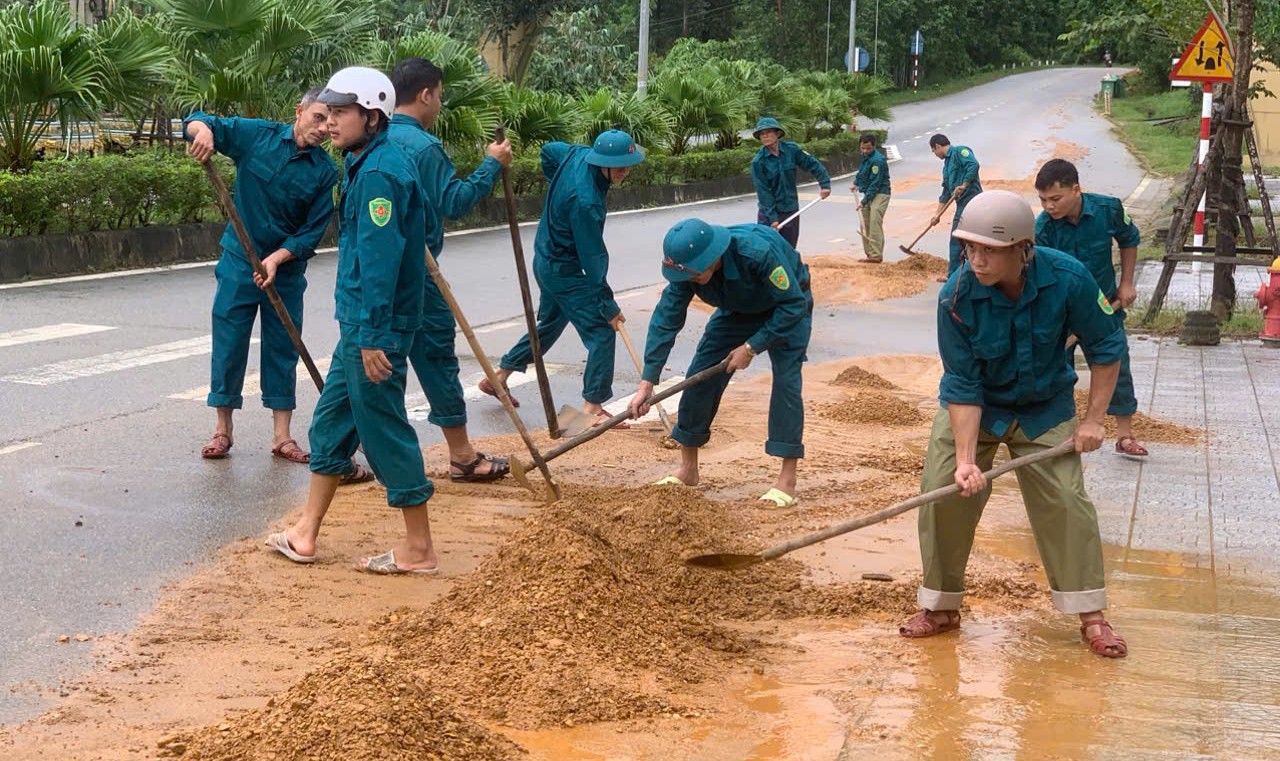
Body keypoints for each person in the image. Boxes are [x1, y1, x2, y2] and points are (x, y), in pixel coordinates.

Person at [898, 190, 1128, 658]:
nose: (976, 259)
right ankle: (941, 607)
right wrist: (965, 461)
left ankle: (1091, 614)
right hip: (979, 407)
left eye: (988, 250)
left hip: (1044, 407)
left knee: (1066, 500)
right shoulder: (956, 297)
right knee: (942, 489)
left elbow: (1106, 348)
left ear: (1023, 249)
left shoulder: (1069, 279)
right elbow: (962, 384)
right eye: (969, 248)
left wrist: (1094, 421)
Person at [266, 67, 438, 575]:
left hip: (375, 325)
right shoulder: (365, 162)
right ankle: (305, 533)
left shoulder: (381, 173)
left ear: (372, 115)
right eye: (328, 110)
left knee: (383, 428)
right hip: (361, 322)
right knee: (333, 423)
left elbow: (380, 263)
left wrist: (376, 336)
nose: (330, 121)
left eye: (341, 112)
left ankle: (419, 549)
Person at [184, 89, 337, 465]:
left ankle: (282, 436)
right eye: (318, 117)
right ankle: (223, 430)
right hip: (239, 258)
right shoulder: (258, 136)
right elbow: (197, 119)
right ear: (299, 111)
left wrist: (277, 259)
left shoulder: (324, 172)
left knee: (283, 347)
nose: (323, 128)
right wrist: (202, 132)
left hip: (284, 270)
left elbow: (311, 232)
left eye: (330, 121)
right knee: (230, 341)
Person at [387, 57, 514, 481]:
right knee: (436, 355)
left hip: (375, 269)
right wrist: (492, 164)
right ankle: (462, 456)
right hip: (417, 272)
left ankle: (339, 455)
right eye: (439, 95)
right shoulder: (423, 147)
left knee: (370, 360)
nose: (440, 103)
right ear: (425, 95)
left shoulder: (374, 137)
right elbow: (454, 202)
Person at [628, 218, 812, 508]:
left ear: (712, 258)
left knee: (787, 383)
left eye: (695, 275)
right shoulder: (686, 271)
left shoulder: (757, 252)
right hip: (737, 310)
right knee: (700, 375)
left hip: (787, 305)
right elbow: (666, 320)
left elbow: (794, 304)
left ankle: (786, 480)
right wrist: (647, 382)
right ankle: (688, 471)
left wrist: (751, 347)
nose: (689, 281)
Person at [482, 130, 645, 427]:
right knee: (601, 332)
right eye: (618, 165)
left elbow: (548, 150)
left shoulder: (575, 154)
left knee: (550, 325)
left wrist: (555, 185)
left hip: (544, 257)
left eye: (628, 163)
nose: (625, 170)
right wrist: (608, 306)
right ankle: (591, 408)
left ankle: (499, 377)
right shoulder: (585, 202)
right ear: (602, 162)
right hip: (562, 269)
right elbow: (593, 259)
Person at [1034, 159, 1146, 457]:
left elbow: (1129, 238)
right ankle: (1064, 431)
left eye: (1055, 199)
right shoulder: (1043, 227)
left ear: (1076, 190)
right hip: (1062, 314)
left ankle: (1124, 435)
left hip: (1104, 308)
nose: (1049, 206)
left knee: (1116, 363)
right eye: (1043, 200)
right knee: (1060, 372)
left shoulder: (1108, 209)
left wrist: (1127, 284)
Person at [750, 117, 832, 250]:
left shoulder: (791, 150)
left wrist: (825, 184)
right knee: (769, 250)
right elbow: (764, 192)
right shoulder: (758, 162)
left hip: (790, 210)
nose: (765, 136)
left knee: (789, 249)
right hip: (769, 214)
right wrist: (773, 218)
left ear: (777, 133)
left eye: (768, 132)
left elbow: (813, 164)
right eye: (762, 134)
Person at [928, 134, 983, 279]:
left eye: (933, 151)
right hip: (961, 204)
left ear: (938, 147)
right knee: (966, 239)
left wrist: (964, 184)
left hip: (972, 200)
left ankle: (954, 275)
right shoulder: (946, 167)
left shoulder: (960, 151)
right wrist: (937, 215)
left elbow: (974, 165)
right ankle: (963, 271)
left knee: (957, 237)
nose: (935, 154)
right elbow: (946, 192)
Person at [852, 132, 891, 263]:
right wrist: (855, 183)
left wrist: (863, 201)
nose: (865, 151)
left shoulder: (878, 161)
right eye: (863, 148)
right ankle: (869, 254)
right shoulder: (865, 157)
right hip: (868, 192)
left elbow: (875, 184)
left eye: (868, 148)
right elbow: (862, 171)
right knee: (865, 223)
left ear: (874, 146)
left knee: (874, 221)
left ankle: (876, 255)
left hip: (880, 193)